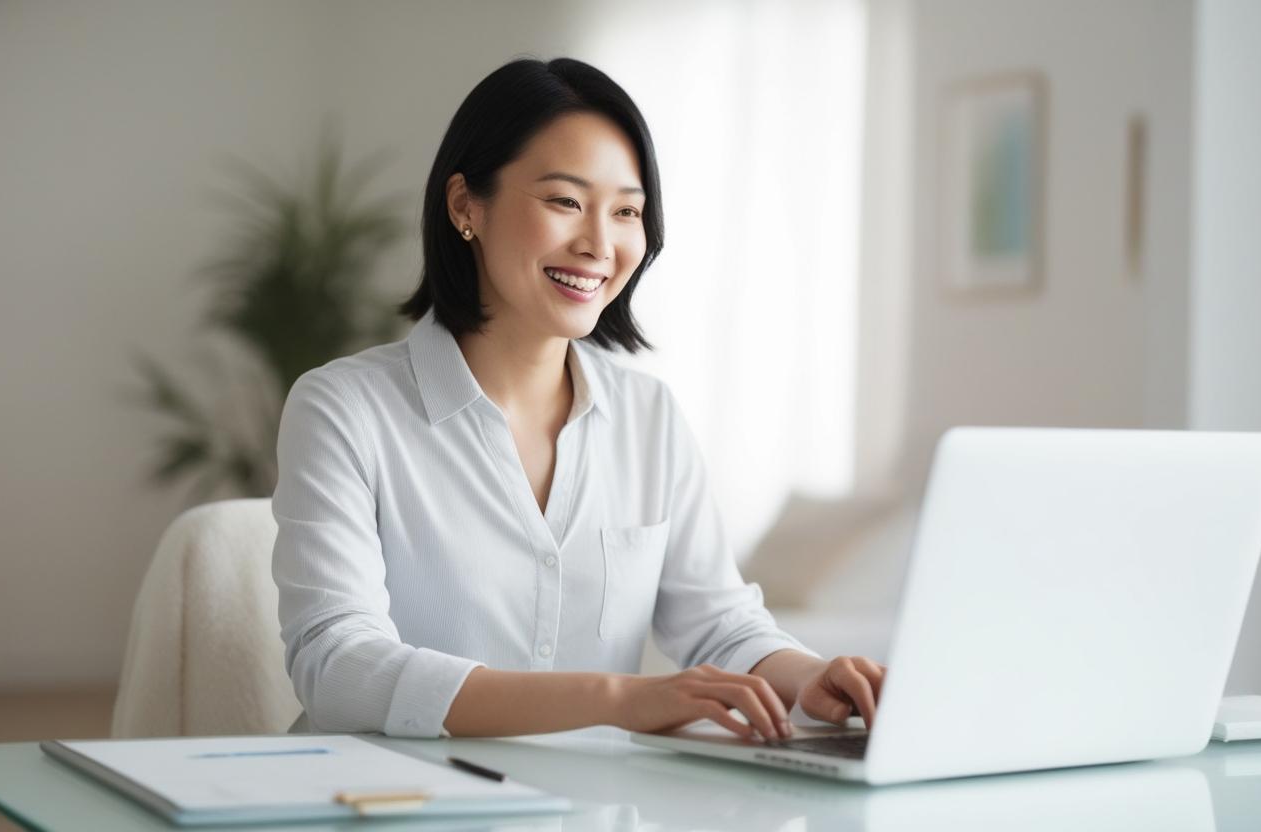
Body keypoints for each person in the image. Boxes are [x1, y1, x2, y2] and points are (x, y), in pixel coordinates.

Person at [271, 57, 885, 742]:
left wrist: (811, 677)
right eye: (565, 201)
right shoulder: (344, 409)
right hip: (385, 802)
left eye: (626, 210)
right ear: (465, 205)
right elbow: (338, 664)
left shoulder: (648, 417)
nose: (599, 244)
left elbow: (718, 622)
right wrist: (616, 700)